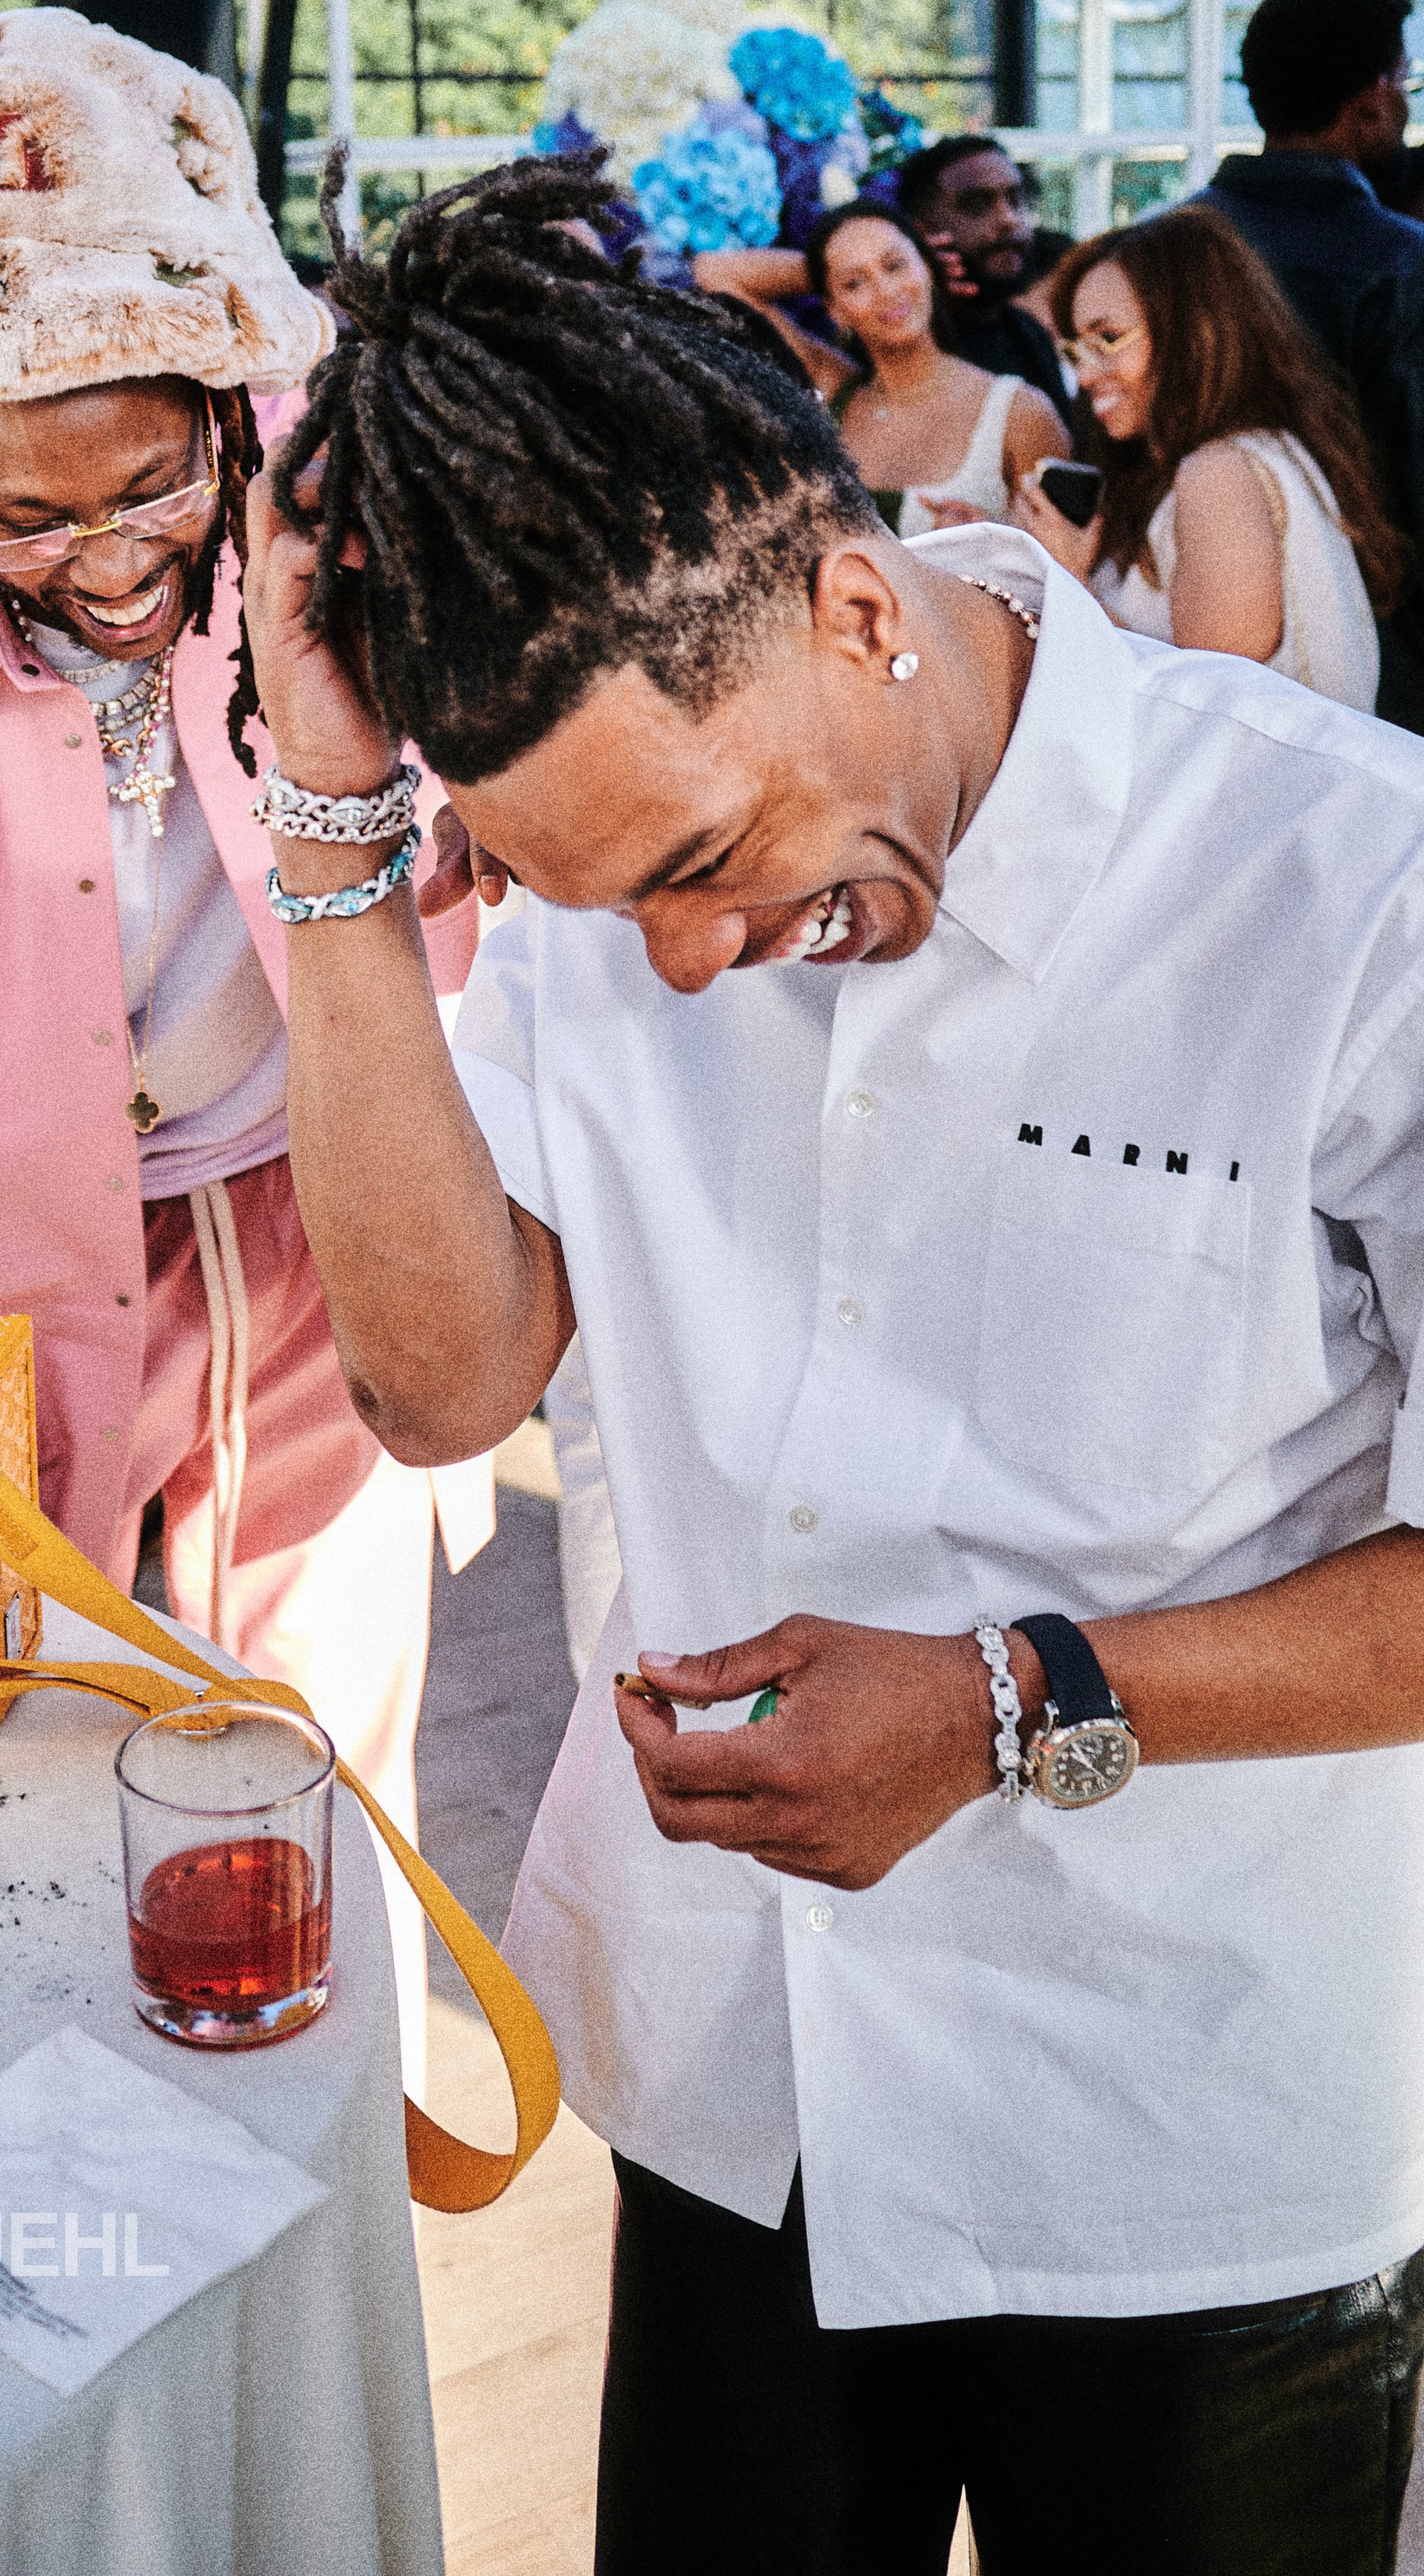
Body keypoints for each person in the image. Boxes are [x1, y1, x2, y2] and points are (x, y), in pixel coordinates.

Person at [240, 148, 1424, 2574]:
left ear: (863, 599)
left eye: (698, 861)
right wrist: (337, 842)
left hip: (1199, 2118)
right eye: (597, 901)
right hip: (734, 2063)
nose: (677, 964)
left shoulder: (1349, 890)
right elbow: (444, 1388)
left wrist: (1014, 1696)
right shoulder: (613, 875)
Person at [0, 9, 487, 2084]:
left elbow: (487, 899)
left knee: (325, 1754)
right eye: (29, 519)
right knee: (48, 1757)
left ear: (233, 402)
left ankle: (332, 2202)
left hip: (315, 1237)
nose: (110, 560)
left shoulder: (344, 571)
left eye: (153, 487)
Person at [1009, 207, 1403, 713]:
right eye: (1076, 350)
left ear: (1193, 330)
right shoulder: (1246, 455)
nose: (1087, 376)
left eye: (1108, 339)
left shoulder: (1219, 473)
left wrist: (1067, 578)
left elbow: (1200, 705)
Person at [1193, 0, 1424, 729]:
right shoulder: (1399, 263)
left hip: (1184, 645)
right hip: (1377, 678)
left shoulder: (1154, 250)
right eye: (1403, 79)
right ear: (1371, 99)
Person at [801, 203, 1066, 535]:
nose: (886, 291)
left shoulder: (1019, 411)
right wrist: (819, 268)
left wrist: (992, 541)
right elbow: (719, 280)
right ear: (833, 308)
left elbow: (1067, 571)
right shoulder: (834, 390)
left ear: (927, 267)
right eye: (855, 283)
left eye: (895, 265)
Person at [896, 132, 1073, 418]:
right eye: (977, 205)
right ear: (921, 232)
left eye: (1016, 200)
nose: (1009, 220)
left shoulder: (1029, 333)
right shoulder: (900, 341)